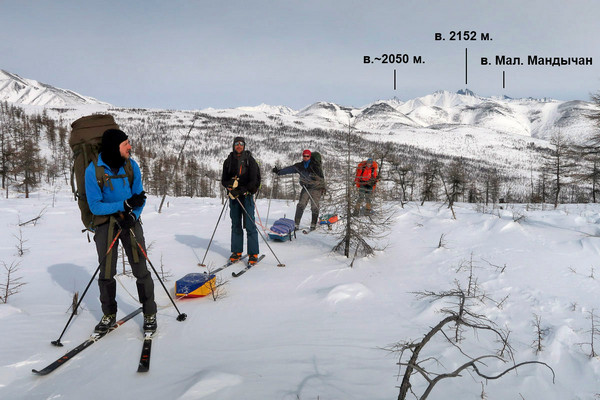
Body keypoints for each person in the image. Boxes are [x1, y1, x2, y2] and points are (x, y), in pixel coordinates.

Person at [85, 129, 157, 333]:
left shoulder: (131, 166)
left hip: (130, 221)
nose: (130, 147)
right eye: (126, 143)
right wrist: (123, 205)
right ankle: (109, 315)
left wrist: (133, 214)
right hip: (105, 224)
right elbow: (95, 206)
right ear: (114, 147)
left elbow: (139, 197)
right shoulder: (94, 171)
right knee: (106, 272)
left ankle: (150, 312)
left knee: (140, 269)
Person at [221, 137, 261, 265]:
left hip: (246, 195)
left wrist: (242, 190)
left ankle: (253, 253)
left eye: (241, 144)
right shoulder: (228, 161)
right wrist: (230, 185)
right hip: (234, 196)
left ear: (244, 146)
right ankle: (236, 252)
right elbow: (224, 179)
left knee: (250, 224)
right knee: (236, 224)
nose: (239, 146)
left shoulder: (250, 160)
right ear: (233, 145)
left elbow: (254, 180)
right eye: (237, 144)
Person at [272, 149, 325, 231]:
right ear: (302, 156)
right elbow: (290, 169)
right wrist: (279, 172)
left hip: (316, 188)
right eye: (304, 156)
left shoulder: (315, 166)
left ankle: (313, 224)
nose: (306, 157)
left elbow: (321, 177)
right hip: (306, 187)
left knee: (314, 206)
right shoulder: (299, 166)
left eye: (307, 156)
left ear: (310, 157)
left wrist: (323, 187)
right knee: (301, 205)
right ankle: (296, 224)